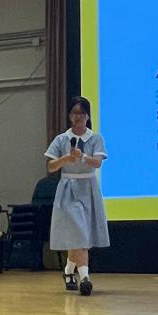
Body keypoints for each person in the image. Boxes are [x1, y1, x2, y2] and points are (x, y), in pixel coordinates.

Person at [45, 96, 109, 296]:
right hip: (68, 189)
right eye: (74, 113)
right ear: (69, 115)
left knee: (79, 235)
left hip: (88, 188)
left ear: (88, 116)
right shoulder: (61, 139)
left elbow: (97, 163)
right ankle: (85, 278)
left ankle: (68, 271)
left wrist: (82, 156)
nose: (78, 117)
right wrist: (67, 158)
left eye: (82, 113)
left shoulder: (95, 138)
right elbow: (50, 166)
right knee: (79, 233)